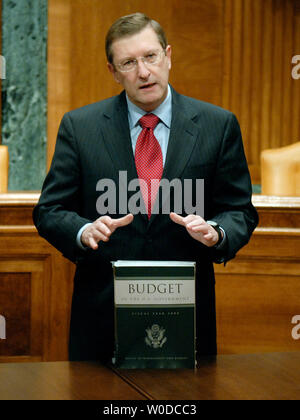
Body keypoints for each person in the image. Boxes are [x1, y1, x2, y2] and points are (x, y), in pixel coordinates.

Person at [33, 13, 258, 362]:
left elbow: (239, 210)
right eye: (128, 62)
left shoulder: (218, 125)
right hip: (102, 316)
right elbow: (49, 211)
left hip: (187, 312)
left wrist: (216, 232)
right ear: (113, 71)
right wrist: (83, 231)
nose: (143, 71)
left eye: (150, 57)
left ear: (167, 55)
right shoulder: (81, 127)